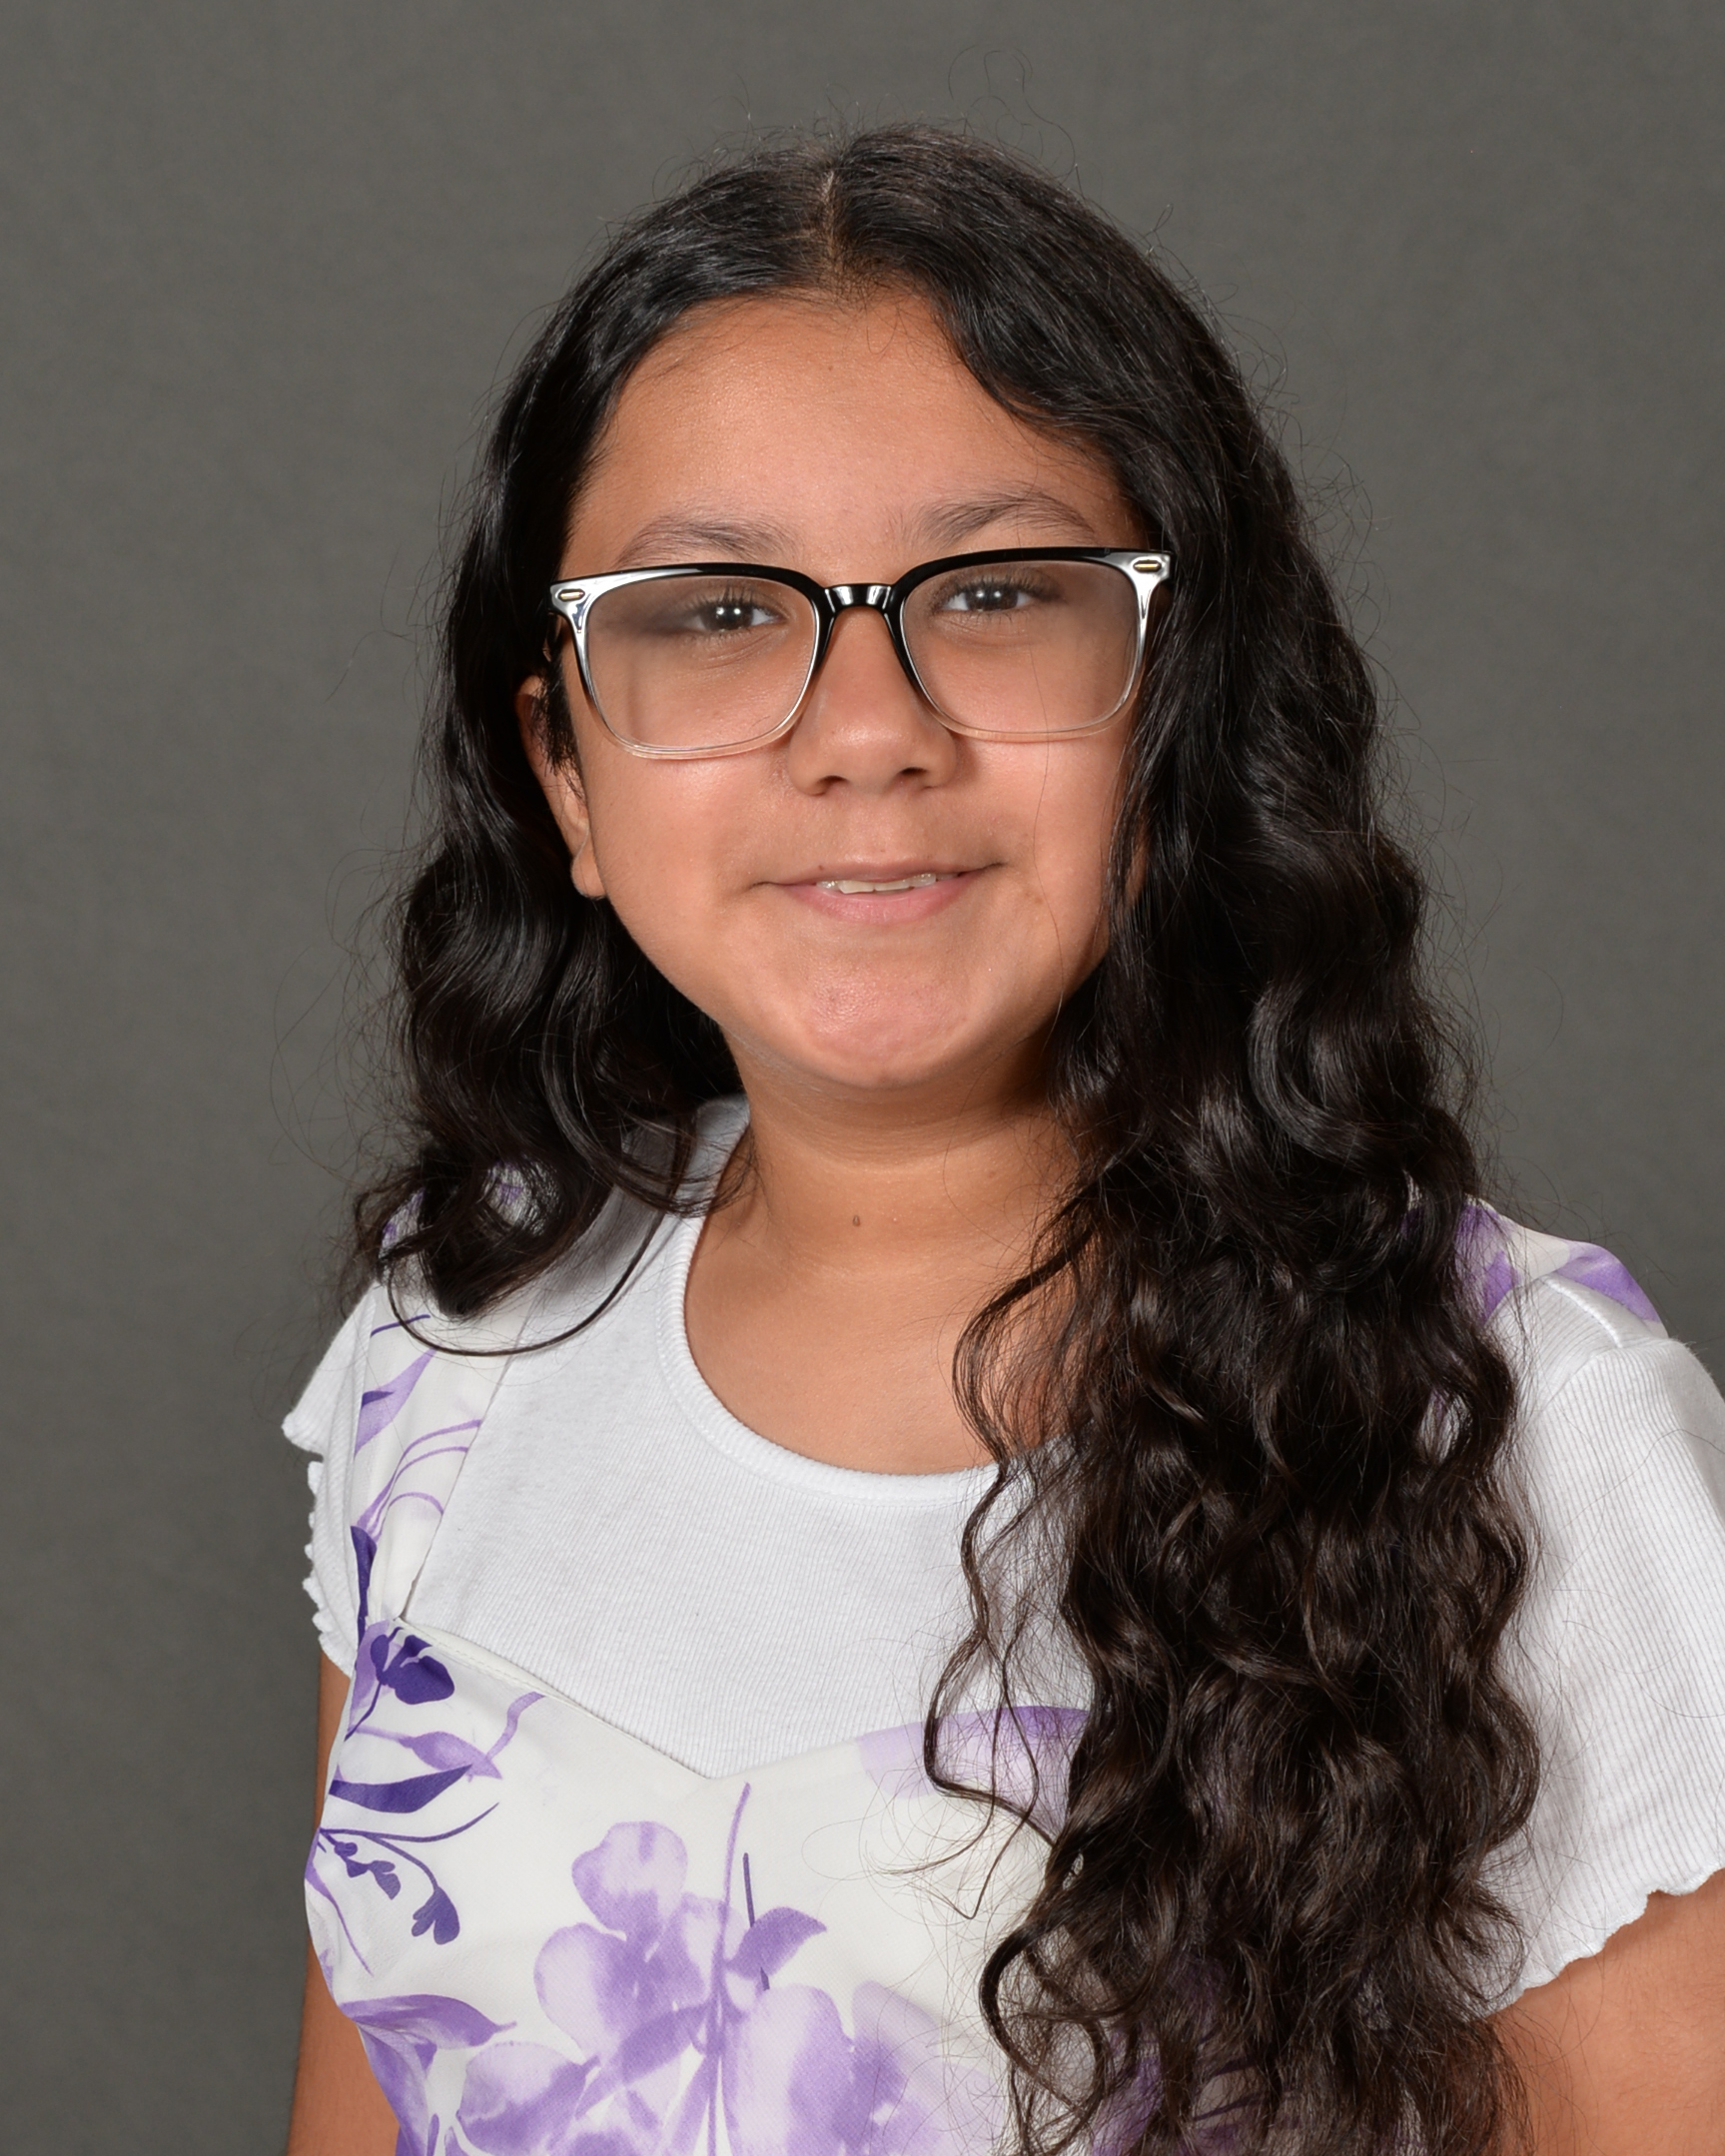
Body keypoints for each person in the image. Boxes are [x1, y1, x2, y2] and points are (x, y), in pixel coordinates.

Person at [283, 128, 1725, 2156]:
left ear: (1182, 705)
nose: (867, 729)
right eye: (715, 611)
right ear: (567, 774)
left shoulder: (1516, 1428)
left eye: (998, 594)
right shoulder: (453, 1355)